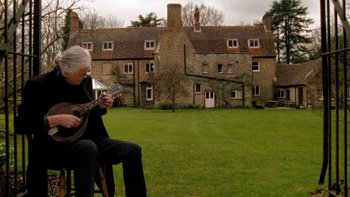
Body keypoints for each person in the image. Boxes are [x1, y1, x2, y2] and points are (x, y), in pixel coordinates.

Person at [16, 45, 147, 197]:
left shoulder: (85, 82)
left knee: (133, 150)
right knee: (88, 147)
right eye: (82, 74)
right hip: (53, 145)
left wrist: (100, 106)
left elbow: (87, 114)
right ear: (66, 72)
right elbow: (22, 123)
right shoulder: (38, 85)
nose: (86, 77)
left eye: (87, 72)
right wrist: (55, 119)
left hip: (88, 139)